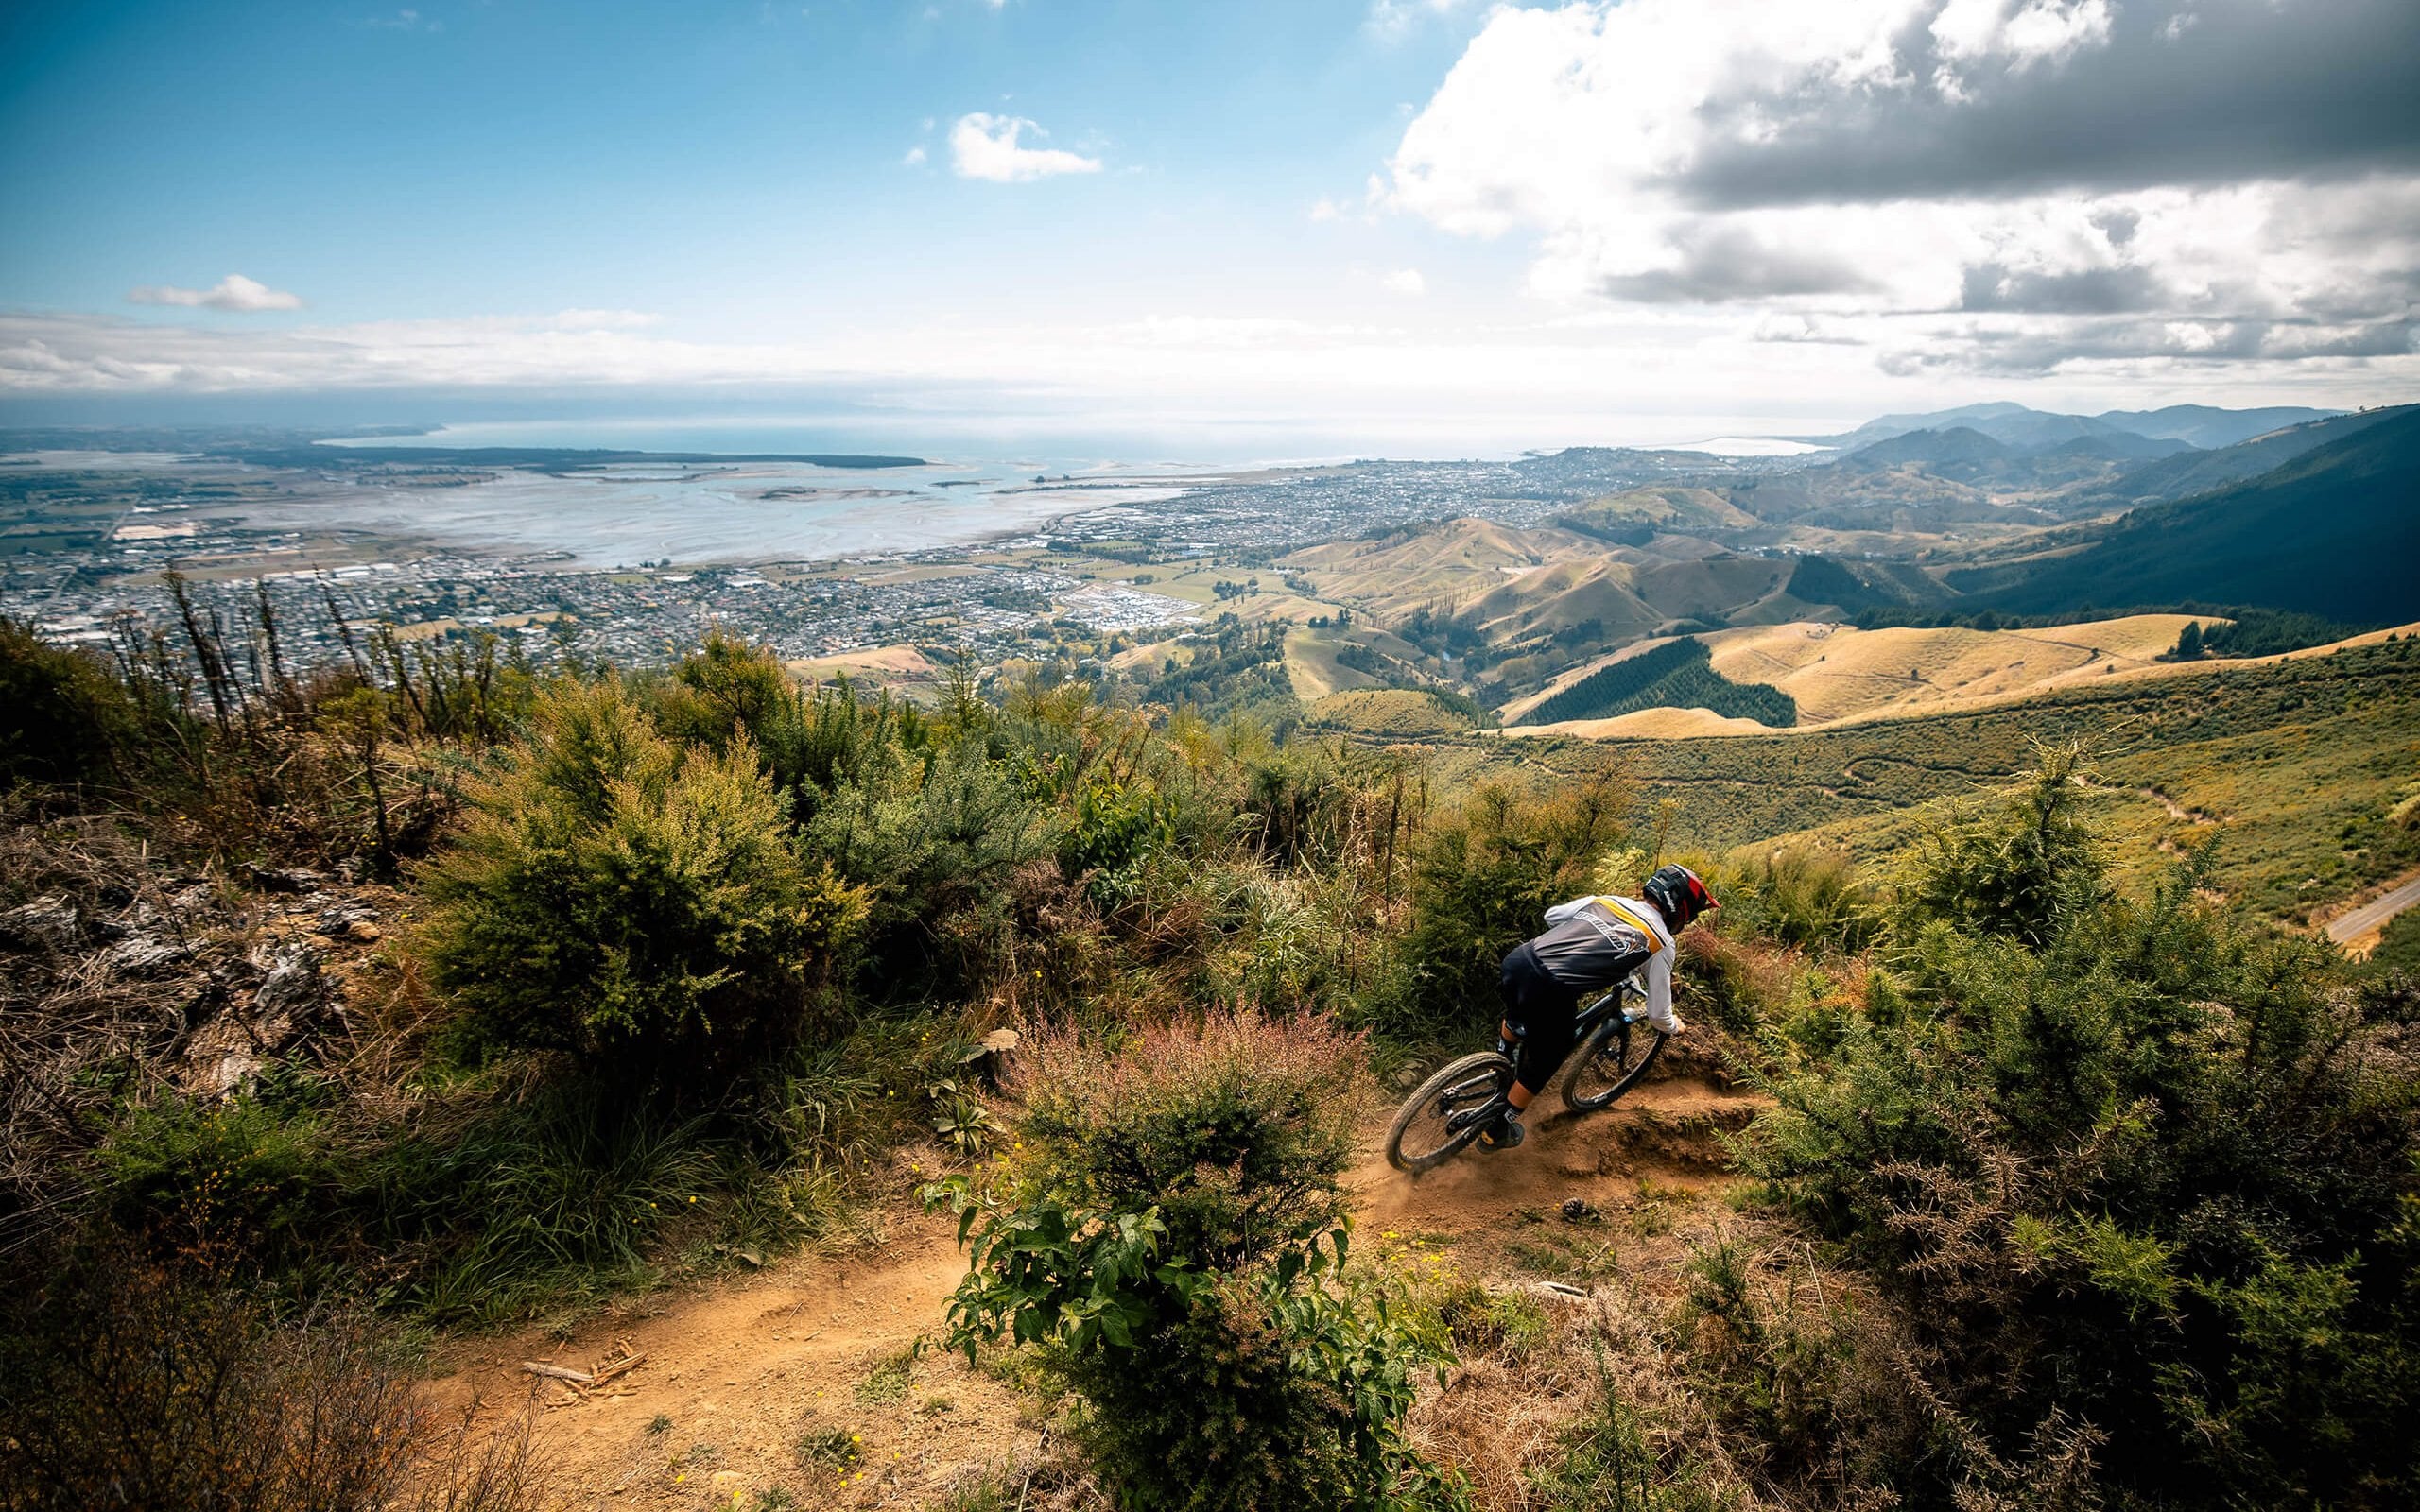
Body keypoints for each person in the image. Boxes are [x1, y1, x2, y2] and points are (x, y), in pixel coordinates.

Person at [1479, 863, 1718, 1150]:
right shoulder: (1661, 942)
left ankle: (1499, 1065)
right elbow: (1657, 1015)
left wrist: (1587, 938)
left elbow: (1551, 916)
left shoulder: (1606, 901)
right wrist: (1672, 1027)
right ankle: (1497, 1130)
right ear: (1682, 909)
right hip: (1551, 987)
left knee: (1520, 1013)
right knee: (1547, 1060)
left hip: (1520, 960)